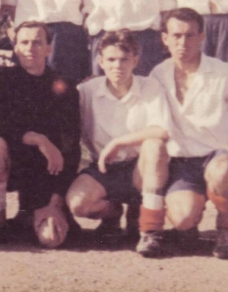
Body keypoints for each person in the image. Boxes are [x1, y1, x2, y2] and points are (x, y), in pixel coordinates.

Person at [150, 8, 228, 259]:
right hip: (182, 162)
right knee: (182, 218)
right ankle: (188, 227)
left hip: (217, 158)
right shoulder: (158, 74)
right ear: (165, 38)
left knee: (223, 171)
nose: (183, 43)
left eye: (190, 35)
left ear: (202, 36)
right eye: (177, 35)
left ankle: (226, 230)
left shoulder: (223, 72)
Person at [65, 30, 170, 257]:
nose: (117, 66)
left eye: (124, 59)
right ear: (100, 62)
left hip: (140, 168)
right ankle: (112, 214)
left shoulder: (150, 86)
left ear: (135, 60)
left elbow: (162, 130)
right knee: (77, 203)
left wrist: (119, 143)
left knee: (154, 145)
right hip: (105, 169)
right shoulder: (87, 91)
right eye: (111, 59)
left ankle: (149, 230)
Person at [0, 21, 81, 248]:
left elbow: (71, 147)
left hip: (47, 173)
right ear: (15, 48)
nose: (30, 48)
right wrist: (37, 138)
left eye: (37, 42)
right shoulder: (3, 79)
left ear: (49, 48)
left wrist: (56, 201)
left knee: (51, 240)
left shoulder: (64, 86)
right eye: (23, 42)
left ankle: (33, 215)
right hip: (13, 165)